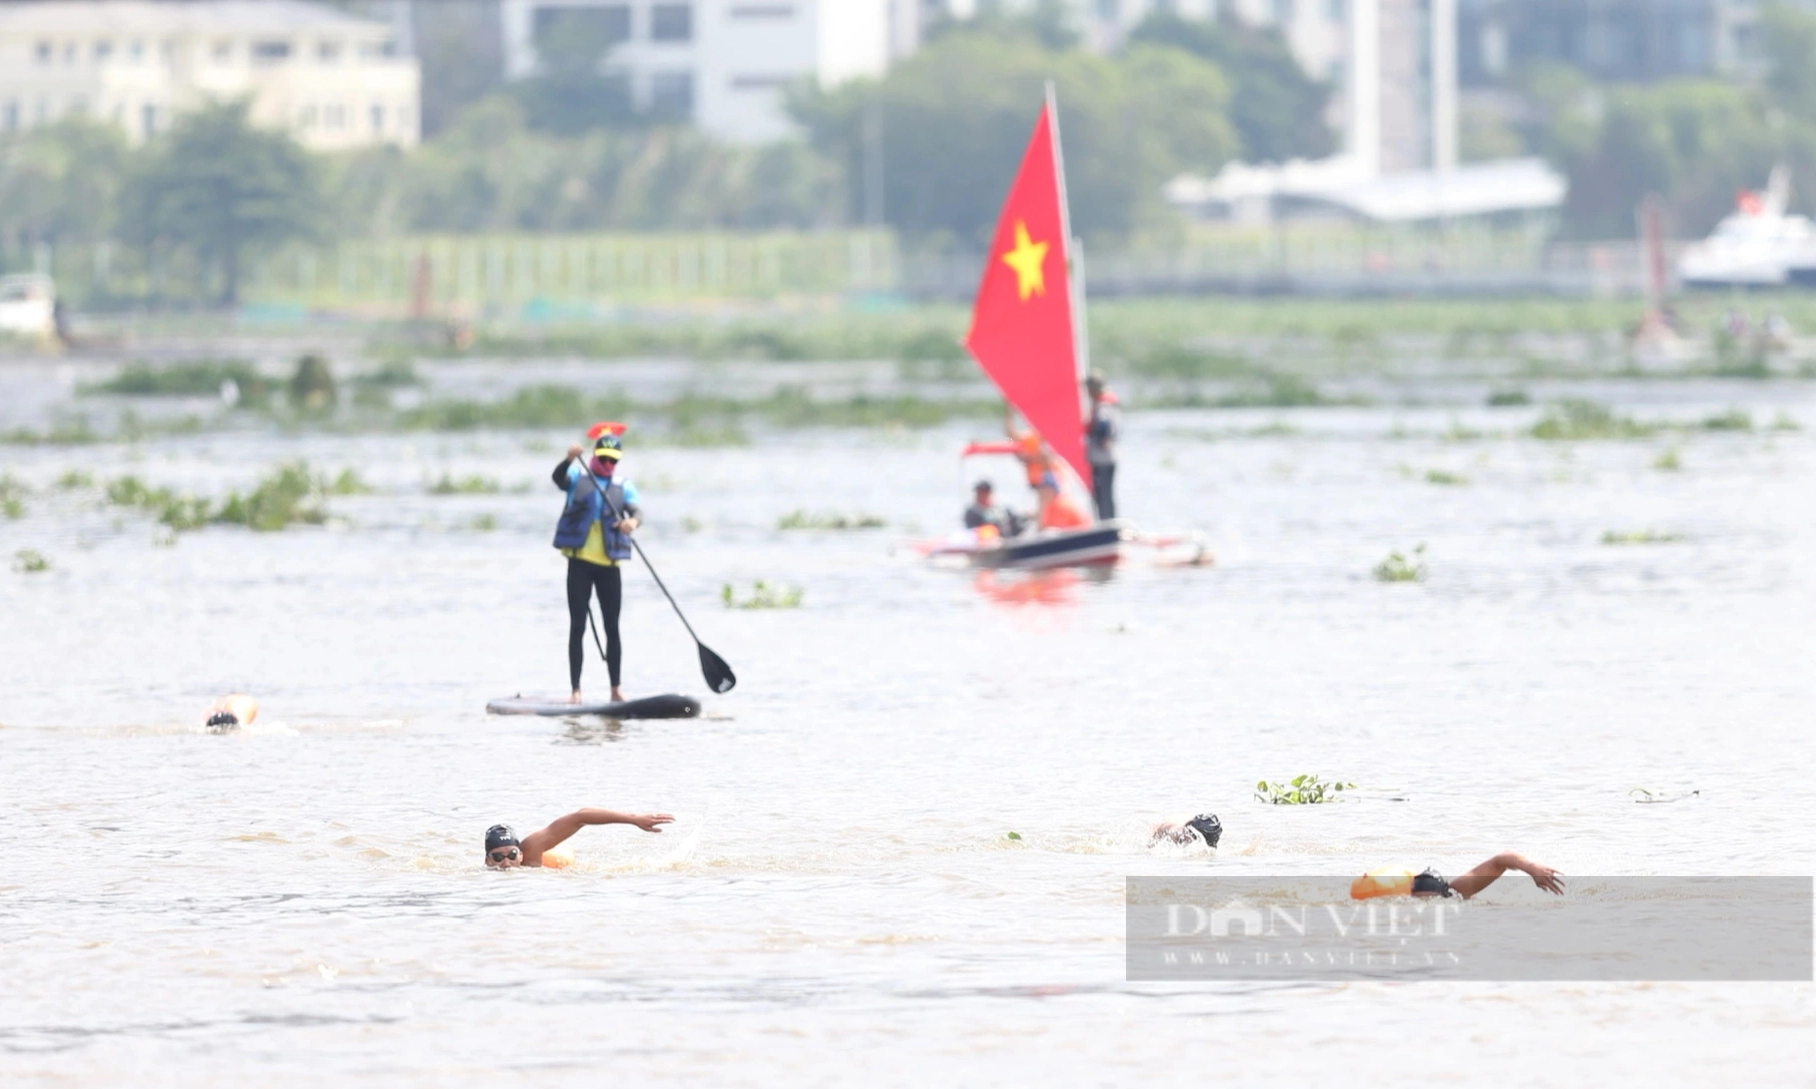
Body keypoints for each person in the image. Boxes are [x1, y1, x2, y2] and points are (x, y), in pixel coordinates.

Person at [552, 426, 641, 705]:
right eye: (604, 458)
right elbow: (558, 478)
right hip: (580, 565)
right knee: (577, 625)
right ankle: (575, 691)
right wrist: (568, 459)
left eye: (613, 460)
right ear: (594, 455)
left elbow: (637, 510)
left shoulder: (623, 485)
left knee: (612, 627)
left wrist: (632, 523)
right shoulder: (578, 476)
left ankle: (615, 689)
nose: (608, 464)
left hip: (608, 567)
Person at [483, 808, 674, 869]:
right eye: (498, 858)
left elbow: (580, 817)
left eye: (512, 855)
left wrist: (634, 820)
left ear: (521, 855)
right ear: (487, 860)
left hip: (556, 858)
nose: (506, 864)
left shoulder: (531, 849)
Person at [1351, 851, 1565, 901]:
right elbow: (1500, 862)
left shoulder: (1453, 893)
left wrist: (1533, 868)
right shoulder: (1453, 894)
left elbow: (1501, 860)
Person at [1083, 370, 1120, 521]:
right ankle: (1107, 520)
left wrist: (1099, 438)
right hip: (1107, 457)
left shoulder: (1103, 406)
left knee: (1103, 495)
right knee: (1105, 494)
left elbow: (1105, 426)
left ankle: (1107, 523)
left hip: (1102, 458)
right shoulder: (1108, 404)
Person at [1151, 813, 1222, 847]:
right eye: (1192, 836)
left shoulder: (1192, 825)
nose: (1189, 840)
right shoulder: (1177, 832)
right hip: (1159, 828)